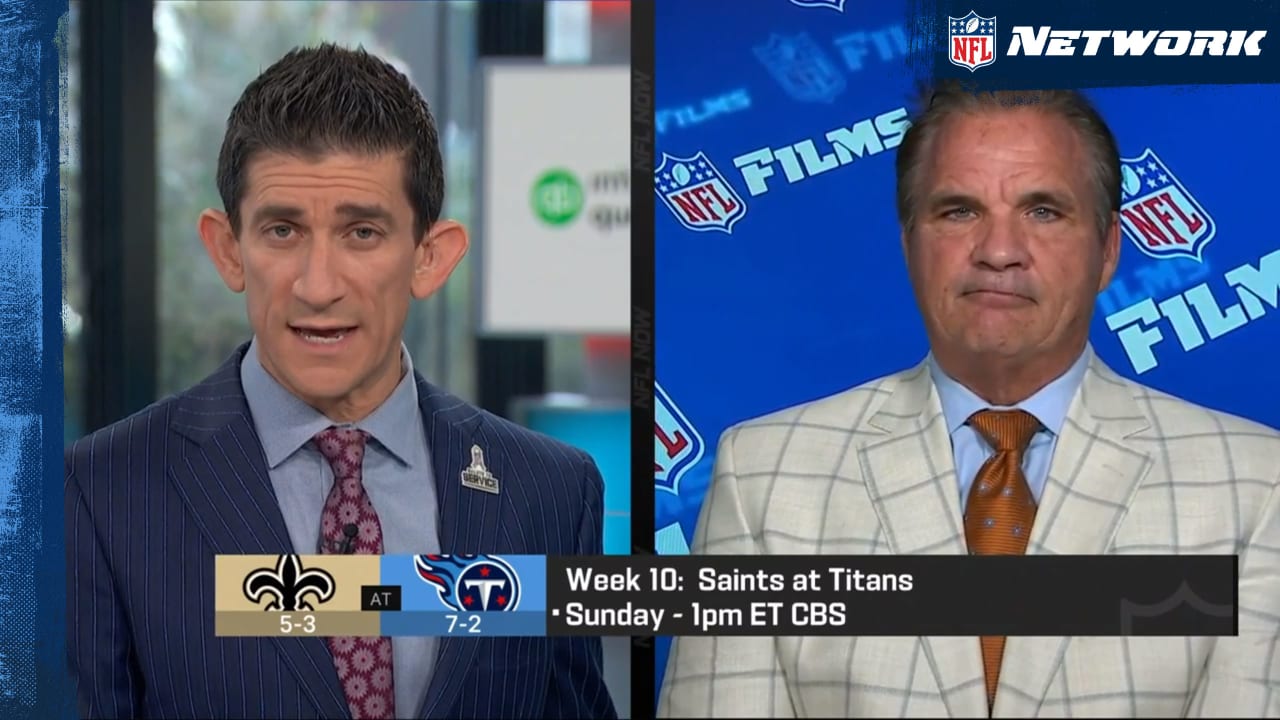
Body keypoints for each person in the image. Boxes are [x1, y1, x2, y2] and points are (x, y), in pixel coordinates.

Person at [657, 82, 1280, 719]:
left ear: (1108, 249)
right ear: (908, 244)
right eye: (959, 211)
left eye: (1043, 211)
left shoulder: (1255, 485)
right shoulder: (763, 474)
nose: (999, 252)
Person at [66, 44, 618, 720]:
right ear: (228, 248)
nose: (318, 285)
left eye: (362, 232)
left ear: (429, 257)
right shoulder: (102, 492)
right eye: (282, 230)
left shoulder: (549, 491)